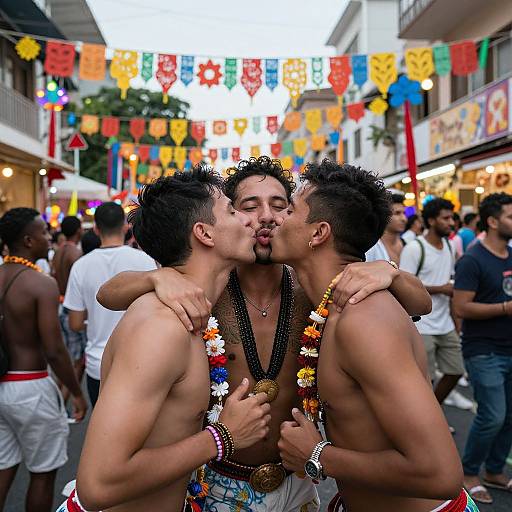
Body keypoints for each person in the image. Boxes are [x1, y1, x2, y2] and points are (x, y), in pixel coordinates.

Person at [97, 157, 431, 511]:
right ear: (227, 220)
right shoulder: (200, 292)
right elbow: (108, 293)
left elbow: (420, 304)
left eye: (279, 205)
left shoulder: (315, 291)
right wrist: (154, 276)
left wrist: (390, 271)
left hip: (298, 479)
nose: (266, 217)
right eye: (248, 206)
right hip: (217, 479)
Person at [58, 168, 272, 512]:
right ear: (204, 233)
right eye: (233, 211)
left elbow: (111, 291)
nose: (250, 220)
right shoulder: (161, 327)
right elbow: (98, 484)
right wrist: (222, 437)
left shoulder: (195, 309)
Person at [273, 160, 470, 512]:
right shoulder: (329, 306)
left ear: (318, 233)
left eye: (289, 210)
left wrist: (316, 455)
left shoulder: (362, 319)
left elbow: (441, 473)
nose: (276, 220)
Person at [0, 208, 87, 512]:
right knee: (42, 473)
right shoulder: (40, 284)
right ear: (27, 240)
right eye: (42, 232)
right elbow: (54, 349)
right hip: (31, 385)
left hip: (2, 386)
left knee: (3, 467)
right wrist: (76, 392)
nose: (49, 237)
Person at [63, 202, 156, 408]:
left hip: (97, 364)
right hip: (139, 361)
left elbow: (75, 324)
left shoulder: (81, 266)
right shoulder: (146, 261)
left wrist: (96, 321)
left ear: (96, 229)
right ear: (125, 227)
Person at [453, 193, 512, 505]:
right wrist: (504, 308)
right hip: (483, 350)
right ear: (492, 221)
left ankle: (494, 470)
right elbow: (461, 307)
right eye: (510, 217)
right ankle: (470, 472)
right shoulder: (473, 260)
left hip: (509, 347)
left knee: (510, 416)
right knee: (493, 415)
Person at [400, 198, 465, 406]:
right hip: (421, 325)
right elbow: (403, 286)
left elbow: (448, 280)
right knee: (424, 380)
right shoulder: (414, 248)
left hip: (444, 323)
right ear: (431, 220)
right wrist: (441, 289)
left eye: (452, 218)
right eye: (445, 218)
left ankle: (434, 410)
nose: (451, 222)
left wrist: (456, 319)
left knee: (456, 371)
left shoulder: (448, 245)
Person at [52, 216, 86, 403]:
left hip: (60, 305)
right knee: (77, 362)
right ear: (78, 231)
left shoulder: (58, 252)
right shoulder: (76, 255)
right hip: (71, 309)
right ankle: (61, 405)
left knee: (68, 360)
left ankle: (58, 401)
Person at [365, 193, 407, 263]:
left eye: (404, 213)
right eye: (397, 213)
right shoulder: (371, 248)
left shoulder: (407, 244)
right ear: (384, 215)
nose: (404, 218)